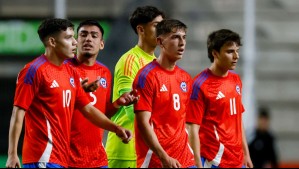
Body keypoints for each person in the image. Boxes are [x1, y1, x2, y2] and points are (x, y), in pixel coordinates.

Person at [5, 18, 132, 168]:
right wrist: (12, 154)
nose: (74, 42)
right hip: (42, 156)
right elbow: (18, 112)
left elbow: (89, 109)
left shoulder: (70, 72)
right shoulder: (34, 70)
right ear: (52, 42)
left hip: (62, 158)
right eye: (68, 38)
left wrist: (116, 128)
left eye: (73, 37)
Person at [66, 19, 139, 168]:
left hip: (97, 158)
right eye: (83, 34)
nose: (88, 39)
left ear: (101, 44)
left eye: (94, 35)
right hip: (68, 158)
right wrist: (77, 92)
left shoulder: (104, 72)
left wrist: (119, 102)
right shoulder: (64, 69)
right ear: (76, 41)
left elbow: (103, 113)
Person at [105, 6, 165, 168]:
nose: (161, 31)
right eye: (156, 25)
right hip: (126, 152)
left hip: (147, 150)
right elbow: (131, 111)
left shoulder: (157, 64)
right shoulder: (130, 61)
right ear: (141, 29)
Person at [186, 29, 253, 168]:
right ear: (215, 53)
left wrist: (246, 154)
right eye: (230, 51)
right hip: (215, 161)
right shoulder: (199, 85)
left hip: (237, 160)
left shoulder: (236, 80)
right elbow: (193, 129)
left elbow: (237, 119)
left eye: (237, 50)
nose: (236, 56)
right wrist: (197, 163)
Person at [133, 19, 195, 168]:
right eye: (175, 37)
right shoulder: (146, 76)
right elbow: (143, 122)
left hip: (185, 159)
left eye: (184, 37)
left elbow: (185, 122)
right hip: (156, 160)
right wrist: (164, 157)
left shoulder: (185, 78)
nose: (182, 43)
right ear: (160, 42)